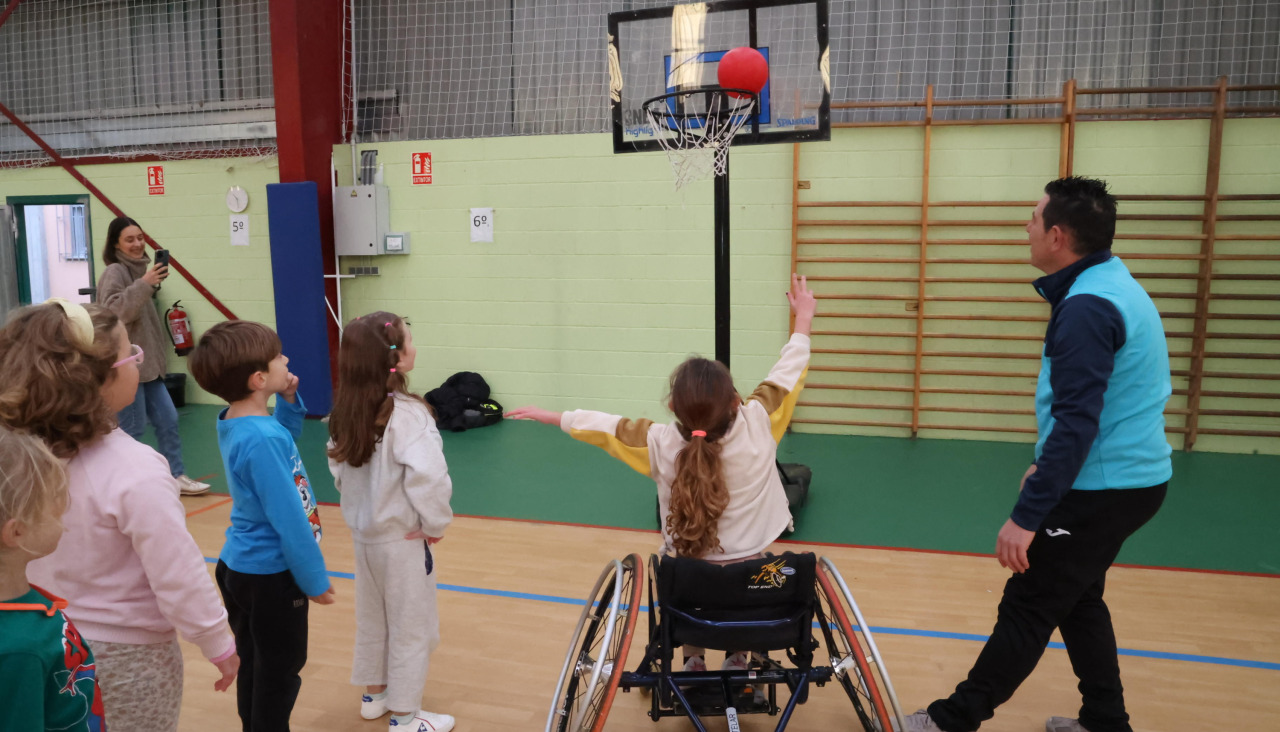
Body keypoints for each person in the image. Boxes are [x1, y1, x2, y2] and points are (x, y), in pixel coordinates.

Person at [903, 177, 1171, 732]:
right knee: (1077, 598)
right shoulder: (1109, 282)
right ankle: (1105, 720)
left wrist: (1028, 517)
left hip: (1105, 489)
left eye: (1031, 218)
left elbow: (1078, 421)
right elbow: (1091, 410)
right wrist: (1050, 463)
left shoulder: (1088, 308)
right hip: (1129, 480)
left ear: (1056, 235)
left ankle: (952, 721)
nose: (1024, 227)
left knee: (1029, 605)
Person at [508, 273, 816, 674]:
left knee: (687, 578)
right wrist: (803, 319)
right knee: (746, 576)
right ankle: (739, 658)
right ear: (735, 400)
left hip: (687, 587)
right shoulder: (760, 421)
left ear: (673, 406)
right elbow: (786, 374)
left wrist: (555, 417)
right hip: (752, 582)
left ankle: (692, 661)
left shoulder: (657, 443)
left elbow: (606, 427)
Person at [1, 300, 238, 732]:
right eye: (133, 354)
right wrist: (218, 641)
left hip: (44, 635)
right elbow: (177, 572)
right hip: (129, 659)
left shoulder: (16, 459)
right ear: (99, 379)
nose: (138, 361)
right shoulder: (136, 468)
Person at [189, 319, 335, 732]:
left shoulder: (237, 421)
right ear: (258, 378)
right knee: (279, 672)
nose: (286, 358)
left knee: (255, 661)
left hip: (239, 567)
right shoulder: (261, 438)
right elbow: (289, 518)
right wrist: (313, 578)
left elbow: (281, 442)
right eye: (278, 356)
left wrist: (288, 399)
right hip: (272, 575)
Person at [327, 313, 455, 732]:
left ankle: (375, 694)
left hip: (365, 539)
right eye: (409, 341)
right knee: (411, 626)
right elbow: (431, 478)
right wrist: (435, 523)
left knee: (374, 617)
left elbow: (339, 472)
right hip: (400, 541)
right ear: (393, 360)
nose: (415, 347)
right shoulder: (409, 415)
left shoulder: (344, 411)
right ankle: (405, 716)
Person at [0, 426, 107, 732]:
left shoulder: (27, 604)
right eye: (55, 511)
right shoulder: (17, 651)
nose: (64, 520)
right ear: (16, 532)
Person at [96, 216, 209, 496]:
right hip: (128, 366)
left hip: (150, 368)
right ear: (115, 244)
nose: (137, 244)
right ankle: (120, 484)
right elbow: (113, 314)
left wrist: (146, 283)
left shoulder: (142, 272)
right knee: (130, 429)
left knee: (168, 421)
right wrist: (144, 284)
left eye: (140, 238)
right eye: (129, 239)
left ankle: (175, 476)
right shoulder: (116, 272)